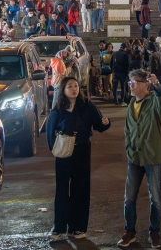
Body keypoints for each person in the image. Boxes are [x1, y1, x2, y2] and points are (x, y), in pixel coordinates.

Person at [47, 76, 111, 240]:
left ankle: (78, 227)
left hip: (82, 149)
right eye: (70, 86)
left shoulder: (87, 105)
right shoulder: (59, 108)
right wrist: (55, 148)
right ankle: (59, 227)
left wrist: (105, 123)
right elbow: (50, 130)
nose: (74, 89)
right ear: (63, 90)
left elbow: (99, 125)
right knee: (62, 189)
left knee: (81, 188)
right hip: (63, 151)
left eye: (76, 86)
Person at [119, 71, 161, 249]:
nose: (131, 85)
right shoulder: (132, 103)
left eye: (135, 82)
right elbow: (127, 130)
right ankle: (129, 231)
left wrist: (157, 85)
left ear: (145, 84)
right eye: (130, 81)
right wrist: (129, 149)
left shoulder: (154, 100)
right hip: (135, 157)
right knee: (129, 198)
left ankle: (155, 232)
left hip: (152, 156)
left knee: (155, 198)